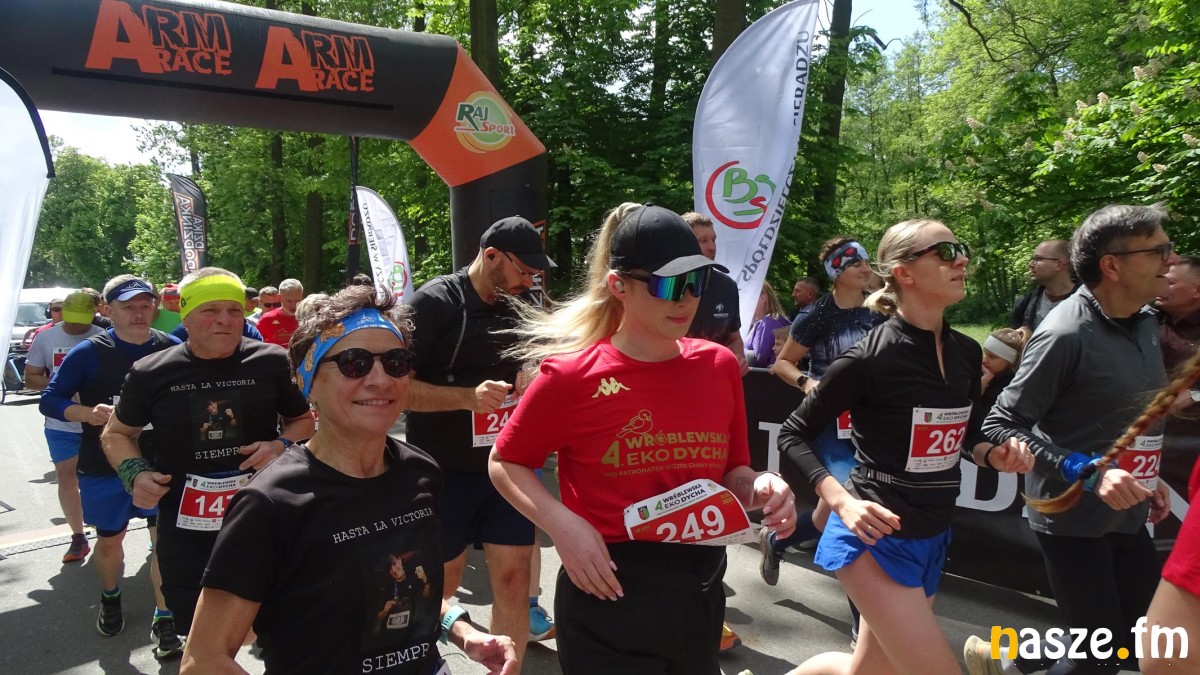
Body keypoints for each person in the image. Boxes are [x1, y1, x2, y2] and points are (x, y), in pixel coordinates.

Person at [488, 203, 797, 675]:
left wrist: (762, 487)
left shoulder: (718, 366)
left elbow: (734, 474)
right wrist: (562, 526)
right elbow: (505, 461)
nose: (686, 298)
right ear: (619, 286)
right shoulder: (570, 376)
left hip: (699, 594)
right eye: (669, 284)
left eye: (697, 281)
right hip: (606, 592)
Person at [180, 286, 517, 674]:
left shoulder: (420, 471)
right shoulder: (271, 503)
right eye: (354, 363)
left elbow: (398, 586)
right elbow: (202, 661)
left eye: (396, 362)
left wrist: (461, 631)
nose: (380, 380)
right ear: (307, 381)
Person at [779, 220, 1033, 675]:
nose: (962, 259)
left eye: (960, 248)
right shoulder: (868, 357)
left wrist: (992, 454)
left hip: (932, 531)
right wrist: (841, 502)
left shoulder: (964, 352)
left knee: (866, 672)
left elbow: (967, 433)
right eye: (945, 252)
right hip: (873, 536)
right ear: (904, 272)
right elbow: (793, 433)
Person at [965, 204, 1179, 675]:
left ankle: (1005, 658)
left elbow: (1117, 416)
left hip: (1125, 511)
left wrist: (1148, 475)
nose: (1172, 259)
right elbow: (1001, 423)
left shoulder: (1144, 322)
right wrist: (1087, 471)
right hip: (1072, 518)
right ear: (1112, 265)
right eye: (1158, 250)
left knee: (1139, 643)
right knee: (1099, 659)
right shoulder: (1065, 333)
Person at [100, 267, 316, 636]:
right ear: (184, 315)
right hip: (187, 529)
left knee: (278, 628)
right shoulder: (151, 371)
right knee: (200, 634)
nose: (224, 320)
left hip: (263, 520)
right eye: (210, 310)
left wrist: (280, 446)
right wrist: (134, 472)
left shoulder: (271, 360)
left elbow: (302, 421)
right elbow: (117, 433)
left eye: (233, 310)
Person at [405, 215, 556, 666]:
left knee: (514, 579)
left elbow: (539, 359)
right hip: (444, 470)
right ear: (490, 256)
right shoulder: (434, 303)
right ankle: (419, 663)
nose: (528, 281)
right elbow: (396, 389)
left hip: (507, 467)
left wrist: (534, 373)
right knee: (440, 585)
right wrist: (465, 398)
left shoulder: (523, 303)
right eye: (522, 270)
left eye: (534, 274)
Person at [40, 276, 184, 656]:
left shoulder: (171, 347)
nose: (138, 313)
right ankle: (110, 597)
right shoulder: (89, 352)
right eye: (128, 306)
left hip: (161, 462)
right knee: (109, 541)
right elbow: (50, 399)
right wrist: (87, 413)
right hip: (105, 465)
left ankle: (165, 617)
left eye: (144, 305)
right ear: (107, 310)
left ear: (154, 307)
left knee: (164, 543)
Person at [762, 238, 883, 586]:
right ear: (836, 273)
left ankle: (777, 540)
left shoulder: (881, 309)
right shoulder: (817, 315)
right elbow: (783, 363)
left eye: (865, 261)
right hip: (830, 420)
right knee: (852, 497)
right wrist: (808, 383)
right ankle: (864, 611)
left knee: (828, 511)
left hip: (874, 419)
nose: (865, 268)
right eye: (855, 264)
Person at [24, 292, 103, 562]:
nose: (77, 325)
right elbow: (31, 378)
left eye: (83, 320)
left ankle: (109, 531)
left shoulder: (103, 336)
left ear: (94, 314)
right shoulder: (46, 338)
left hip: (98, 422)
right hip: (61, 424)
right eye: (71, 319)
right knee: (67, 476)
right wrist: (61, 385)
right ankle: (78, 536)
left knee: (102, 478)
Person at [682, 211, 748, 375]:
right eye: (703, 241)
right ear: (684, 243)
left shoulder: (727, 286)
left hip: (717, 376)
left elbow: (734, 337)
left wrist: (738, 358)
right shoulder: (666, 284)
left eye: (713, 239)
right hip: (677, 374)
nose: (712, 247)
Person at [1009, 239, 1079, 331]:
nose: (1031, 264)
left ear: (1059, 264)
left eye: (1038, 259)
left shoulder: (1088, 302)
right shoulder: (1024, 304)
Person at [1155, 254, 1200, 374]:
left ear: (1197, 290)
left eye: (1169, 282)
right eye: (1159, 280)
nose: (1159, 287)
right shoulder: (1143, 321)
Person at [745, 281, 791, 368]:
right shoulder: (773, 320)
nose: (746, 302)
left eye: (749, 298)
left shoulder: (768, 323)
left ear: (763, 298)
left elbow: (758, 358)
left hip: (763, 375)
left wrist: (738, 351)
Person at [256, 278, 303, 346]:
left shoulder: (309, 319)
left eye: (297, 301)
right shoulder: (266, 320)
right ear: (279, 298)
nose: (293, 305)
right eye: (289, 301)